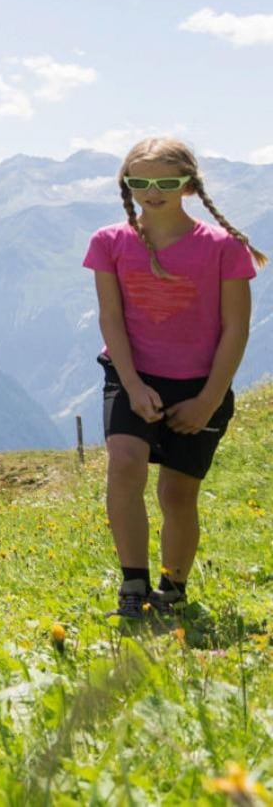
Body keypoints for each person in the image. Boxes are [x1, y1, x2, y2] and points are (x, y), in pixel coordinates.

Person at [84, 136, 263, 620]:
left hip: (199, 383)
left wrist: (208, 399)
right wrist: (134, 384)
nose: (152, 191)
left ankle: (173, 588)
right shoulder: (109, 242)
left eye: (167, 181)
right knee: (124, 465)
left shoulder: (224, 247)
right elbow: (111, 320)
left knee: (177, 493)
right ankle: (133, 585)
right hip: (129, 374)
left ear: (189, 184)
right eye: (139, 181)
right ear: (127, 184)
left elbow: (236, 328)